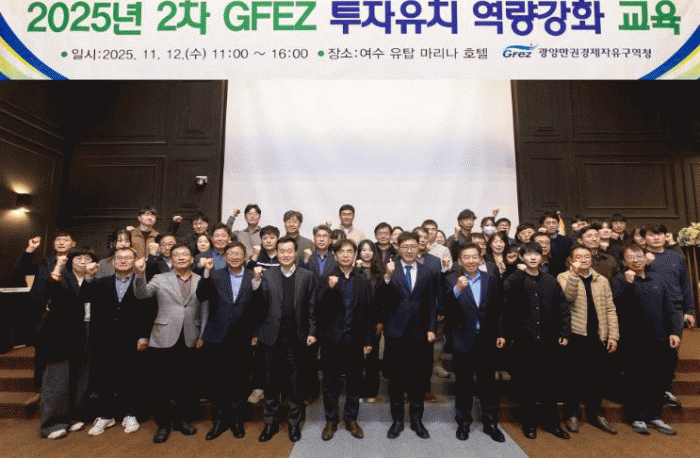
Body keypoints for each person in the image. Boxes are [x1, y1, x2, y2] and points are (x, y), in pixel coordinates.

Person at [133, 243, 208, 444]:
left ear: (192, 259)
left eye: (185, 254)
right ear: (171, 259)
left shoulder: (200, 280)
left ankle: (182, 420)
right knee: (161, 385)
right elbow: (142, 294)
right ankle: (163, 424)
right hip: (163, 336)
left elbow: (204, 309)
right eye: (177, 255)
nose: (181, 257)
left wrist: (202, 334)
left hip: (190, 337)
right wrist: (139, 274)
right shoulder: (160, 278)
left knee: (186, 383)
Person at [81, 247, 154, 436]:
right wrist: (88, 276)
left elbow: (148, 311)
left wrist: (144, 335)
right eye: (119, 258)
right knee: (104, 377)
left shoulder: (142, 282)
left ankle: (130, 413)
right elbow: (84, 296)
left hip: (131, 338)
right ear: (113, 262)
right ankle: (106, 415)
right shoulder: (100, 282)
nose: (123, 260)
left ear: (135, 262)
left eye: (128, 258)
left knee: (129, 377)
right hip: (103, 338)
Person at [611, 244, 682, 436]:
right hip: (633, 339)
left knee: (658, 379)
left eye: (639, 255)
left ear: (646, 257)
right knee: (636, 379)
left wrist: (675, 331)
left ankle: (655, 416)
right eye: (630, 257)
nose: (636, 260)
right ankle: (637, 417)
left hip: (659, 338)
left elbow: (670, 307)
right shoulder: (619, 280)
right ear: (624, 261)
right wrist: (628, 284)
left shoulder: (657, 278)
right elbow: (616, 306)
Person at [253, 236, 318, 443]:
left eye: (289, 251)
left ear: (296, 253)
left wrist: (312, 331)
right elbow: (259, 305)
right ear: (277, 253)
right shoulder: (267, 275)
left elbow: (312, 306)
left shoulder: (307, 276)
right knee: (271, 383)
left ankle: (294, 423)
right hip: (271, 338)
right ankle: (270, 423)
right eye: (282, 251)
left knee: (296, 383)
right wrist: (256, 282)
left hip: (297, 338)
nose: (286, 255)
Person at [503, 243, 571, 440]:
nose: (533, 258)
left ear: (542, 257)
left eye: (536, 254)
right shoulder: (515, 279)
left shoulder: (550, 280)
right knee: (526, 385)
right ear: (522, 257)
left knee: (550, 385)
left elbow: (562, 307)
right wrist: (518, 272)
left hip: (548, 341)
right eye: (529, 254)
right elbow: (506, 296)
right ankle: (529, 424)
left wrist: (564, 332)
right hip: (524, 341)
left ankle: (552, 424)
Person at [443, 243, 506, 443]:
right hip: (462, 339)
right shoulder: (451, 279)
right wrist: (457, 289)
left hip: (486, 339)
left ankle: (491, 423)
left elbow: (499, 308)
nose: (471, 260)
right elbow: (444, 307)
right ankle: (463, 423)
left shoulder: (491, 279)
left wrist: (501, 333)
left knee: (488, 384)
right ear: (459, 260)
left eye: (474, 257)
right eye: (466, 257)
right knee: (464, 384)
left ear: (480, 259)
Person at [196, 242, 259, 440]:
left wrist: (256, 333)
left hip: (242, 337)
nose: (234, 256)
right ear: (224, 256)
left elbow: (260, 306)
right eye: (230, 253)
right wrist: (206, 273)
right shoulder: (215, 275)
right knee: (218, 380)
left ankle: (237, 420)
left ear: (245, 256)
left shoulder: (253, 277)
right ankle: (219, 421)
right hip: (218, 336)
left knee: (240, 380)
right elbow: (201, 295)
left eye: (238, 253)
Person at [380, 232, 437, 440]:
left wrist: (431, 328)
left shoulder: (428, 271)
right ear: (398, 248)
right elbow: (380, 298)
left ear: (419, 247)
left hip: (420, 334)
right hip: (396, 333)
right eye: (405, 247)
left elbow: (433, 302)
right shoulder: (390, 269)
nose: (410, 250)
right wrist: (387, 277)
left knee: (418, 379)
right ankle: (397, 421)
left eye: (413, 246)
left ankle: (416, 421)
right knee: (396, 379)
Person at [557, 246, 619, 435]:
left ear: (592, 260)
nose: (583, 259)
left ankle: (596, 414)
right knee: (573, 377)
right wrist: (574, 275)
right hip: (575, 335)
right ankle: (572, 415)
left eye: (586, 256)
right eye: (578, 256)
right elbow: (567, 297)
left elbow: (610, 308)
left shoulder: (602, 280)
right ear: (570, 260)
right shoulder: (563, 277)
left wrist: (613, 335)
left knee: (597, 378)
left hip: (598, 335)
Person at [316, 239, 374, 440]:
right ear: (335, 255)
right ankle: (331, 421)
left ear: (355, 254)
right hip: (332, 340)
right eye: (341, 251)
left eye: (350, 251)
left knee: (354, 382)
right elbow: (318, 309)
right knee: (330, 383)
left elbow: (369, 313)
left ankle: (351, 419)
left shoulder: (363, 280)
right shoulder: (326, 278)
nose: (346, 255)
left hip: (355, 339)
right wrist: (330, 289)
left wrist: (368, 341)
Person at [39, 247, 97, 439]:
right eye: (78, 258)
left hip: (84, 333)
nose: (82, 261)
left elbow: (90, 298)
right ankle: (52, 423)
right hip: (60, 335)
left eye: (87, 258)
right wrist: (59, 265)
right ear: (71, 261)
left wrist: (90, 277)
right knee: (57, 378)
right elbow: (48, 289)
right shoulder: (62, 277)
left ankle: (73, 417)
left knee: (80, 378)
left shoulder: (94, 278)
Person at [12, 230, 77, 388]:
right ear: (53, 243)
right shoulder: (43, 262)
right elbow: (20, 271)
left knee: (65, 350)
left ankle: (62, 385)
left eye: (65, 239)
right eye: (58, 239)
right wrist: (30, 249)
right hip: (41, 312)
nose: (61, 242)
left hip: (66, 314)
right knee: (40, 351)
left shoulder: (76, 263)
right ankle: (39, 384)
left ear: (73, 244)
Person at [643, 224, 696, 409]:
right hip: (650, 309)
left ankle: (665, 389)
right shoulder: (640, 257)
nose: (656, 238)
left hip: (675, 308)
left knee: (671, 352)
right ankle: (650, 389)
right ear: (644, 238)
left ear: (666, 236)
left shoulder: (676, 256)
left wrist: (689, 310)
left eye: (660, 234)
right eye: (652, 234)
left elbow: (685, 284)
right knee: (651, 352)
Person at [355, 239, 384, 402]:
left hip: (374, 320)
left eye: (370, 250)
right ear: (358, 253)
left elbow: (383, 300)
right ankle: (357, 391)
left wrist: (380, 320)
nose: (366, 253)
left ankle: (371, 392)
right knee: (356, 358)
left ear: (374, 252)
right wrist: (357, 270)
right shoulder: (353, 270)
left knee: (372, 359)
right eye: (363, 249)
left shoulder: (380, 272)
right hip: (356, 320)